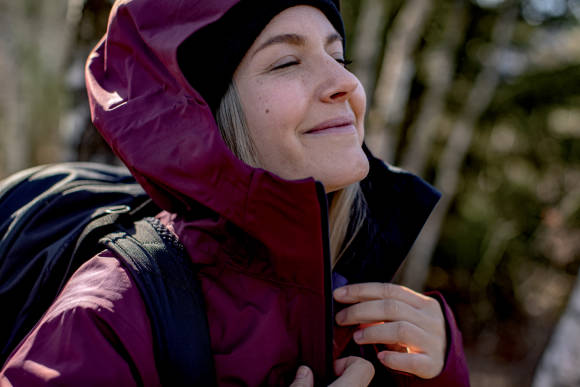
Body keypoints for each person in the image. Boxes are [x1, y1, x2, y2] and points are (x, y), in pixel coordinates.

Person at [0, 0, 469, 386]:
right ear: (202, 120)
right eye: (287, 61)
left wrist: (442, 374)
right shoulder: (109, 315)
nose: (345, 83)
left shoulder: (362, 286)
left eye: (338, 56)